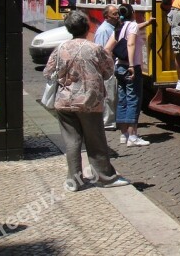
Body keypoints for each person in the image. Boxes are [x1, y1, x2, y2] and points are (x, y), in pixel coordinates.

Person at [43, 10, 130, 190]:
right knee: (95, 140)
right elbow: (108, 72)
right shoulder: (95, 49)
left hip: (64, 102)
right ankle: (105, 177)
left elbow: (48, 72)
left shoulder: (60, 48)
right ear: (86, 28)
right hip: (89, 102)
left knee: (72, 141)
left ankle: (73, 180)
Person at [106, 3, 154, 146]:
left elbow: (107, 48)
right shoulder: (131, 26)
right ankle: (133, 136)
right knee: (133, 100)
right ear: (132, 13)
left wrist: (147, 23)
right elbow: (131, 44)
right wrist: (132, 65)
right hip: (130, 67)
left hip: (118, 67)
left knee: (122, 99)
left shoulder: (119, 27)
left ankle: (124, 135)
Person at [94, 4, 121, 131]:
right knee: (109, 95)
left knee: (112, 95)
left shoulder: (112, 27)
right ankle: (107, 122)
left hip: (111, 65)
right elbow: (102, 50)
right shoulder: (105, 30)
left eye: (118, 13)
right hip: (107, 67)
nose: (117, 16)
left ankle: (110, 120)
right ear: (106, 16)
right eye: (114, 14)